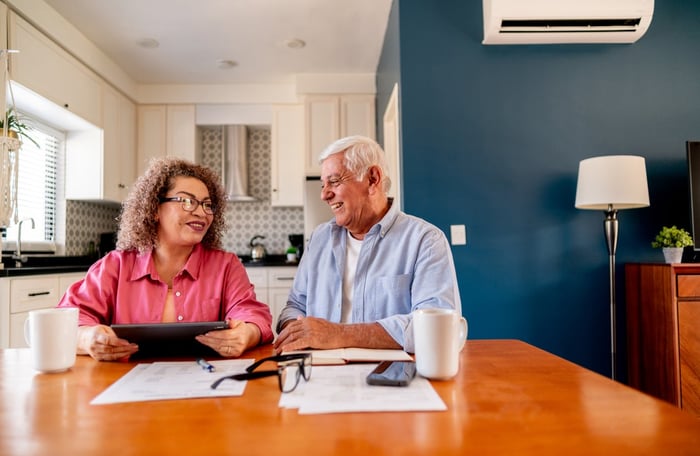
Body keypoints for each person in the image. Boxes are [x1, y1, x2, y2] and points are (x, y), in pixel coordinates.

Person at [58, 157, 273, 361]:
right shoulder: (116, 265)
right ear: (154, 209)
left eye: (207, 204)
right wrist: (88, 339)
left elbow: (253, 315)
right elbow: (66, 321)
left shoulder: (226, 266)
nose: (202, 212)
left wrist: (247, 333)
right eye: (187, 201)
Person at [273, 135, 462, 354]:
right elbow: (295, 305)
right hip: (321, 373)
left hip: (395, 378)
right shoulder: (319, 239)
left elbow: (438, 327)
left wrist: (337, 334)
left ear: (372, 179)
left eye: (334, 182)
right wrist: (297, 331)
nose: (324, 194)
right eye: (323, 184)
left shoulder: (425, 241)